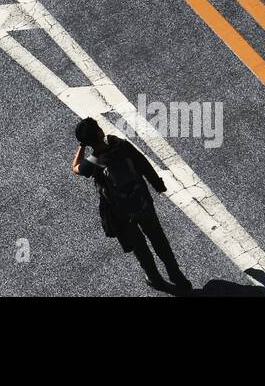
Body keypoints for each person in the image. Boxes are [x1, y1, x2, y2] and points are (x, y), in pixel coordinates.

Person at [72, 117, 192, 291]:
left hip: (121, 215)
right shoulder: (120, 145)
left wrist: (82, 145)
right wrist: (157, 184)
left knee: (140, 248)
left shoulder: (92, 163)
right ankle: (177, 276)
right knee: (159, 239)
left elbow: (75, 167)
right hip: (142, 203)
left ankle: (154, 278)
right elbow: (142, 163)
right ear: (99, 132)